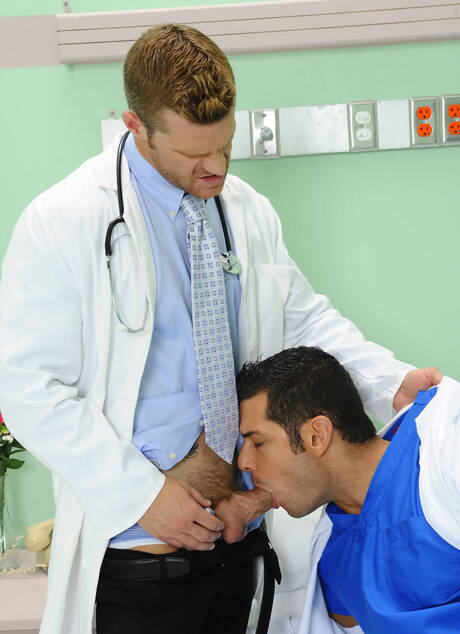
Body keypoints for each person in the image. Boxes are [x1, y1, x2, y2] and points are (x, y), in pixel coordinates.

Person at [0, 23, 441, 634]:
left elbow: (303, 319)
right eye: (192, 154)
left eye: (225, 145)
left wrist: (390, 383)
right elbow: (27, 385)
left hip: (242, 544)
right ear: (135, 126)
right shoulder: (64, 221)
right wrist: (143, 497)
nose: (215, 168)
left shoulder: (246, 210)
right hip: (142, 559)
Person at [237, 346, 459, 634]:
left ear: (316, 436)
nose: (243, 462)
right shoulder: (334, 560)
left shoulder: (445, 452)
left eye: (257, 442)